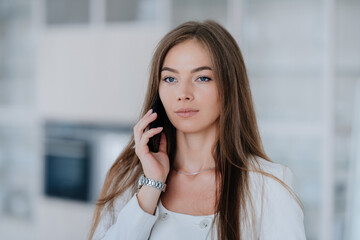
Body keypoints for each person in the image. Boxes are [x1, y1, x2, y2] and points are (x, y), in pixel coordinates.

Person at [88, 20, 306, 240]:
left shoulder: (269, 185)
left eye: (202, 78)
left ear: (230, 87)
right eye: (170, 78)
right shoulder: (130, 176)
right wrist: (152, 185)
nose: (183, 93)